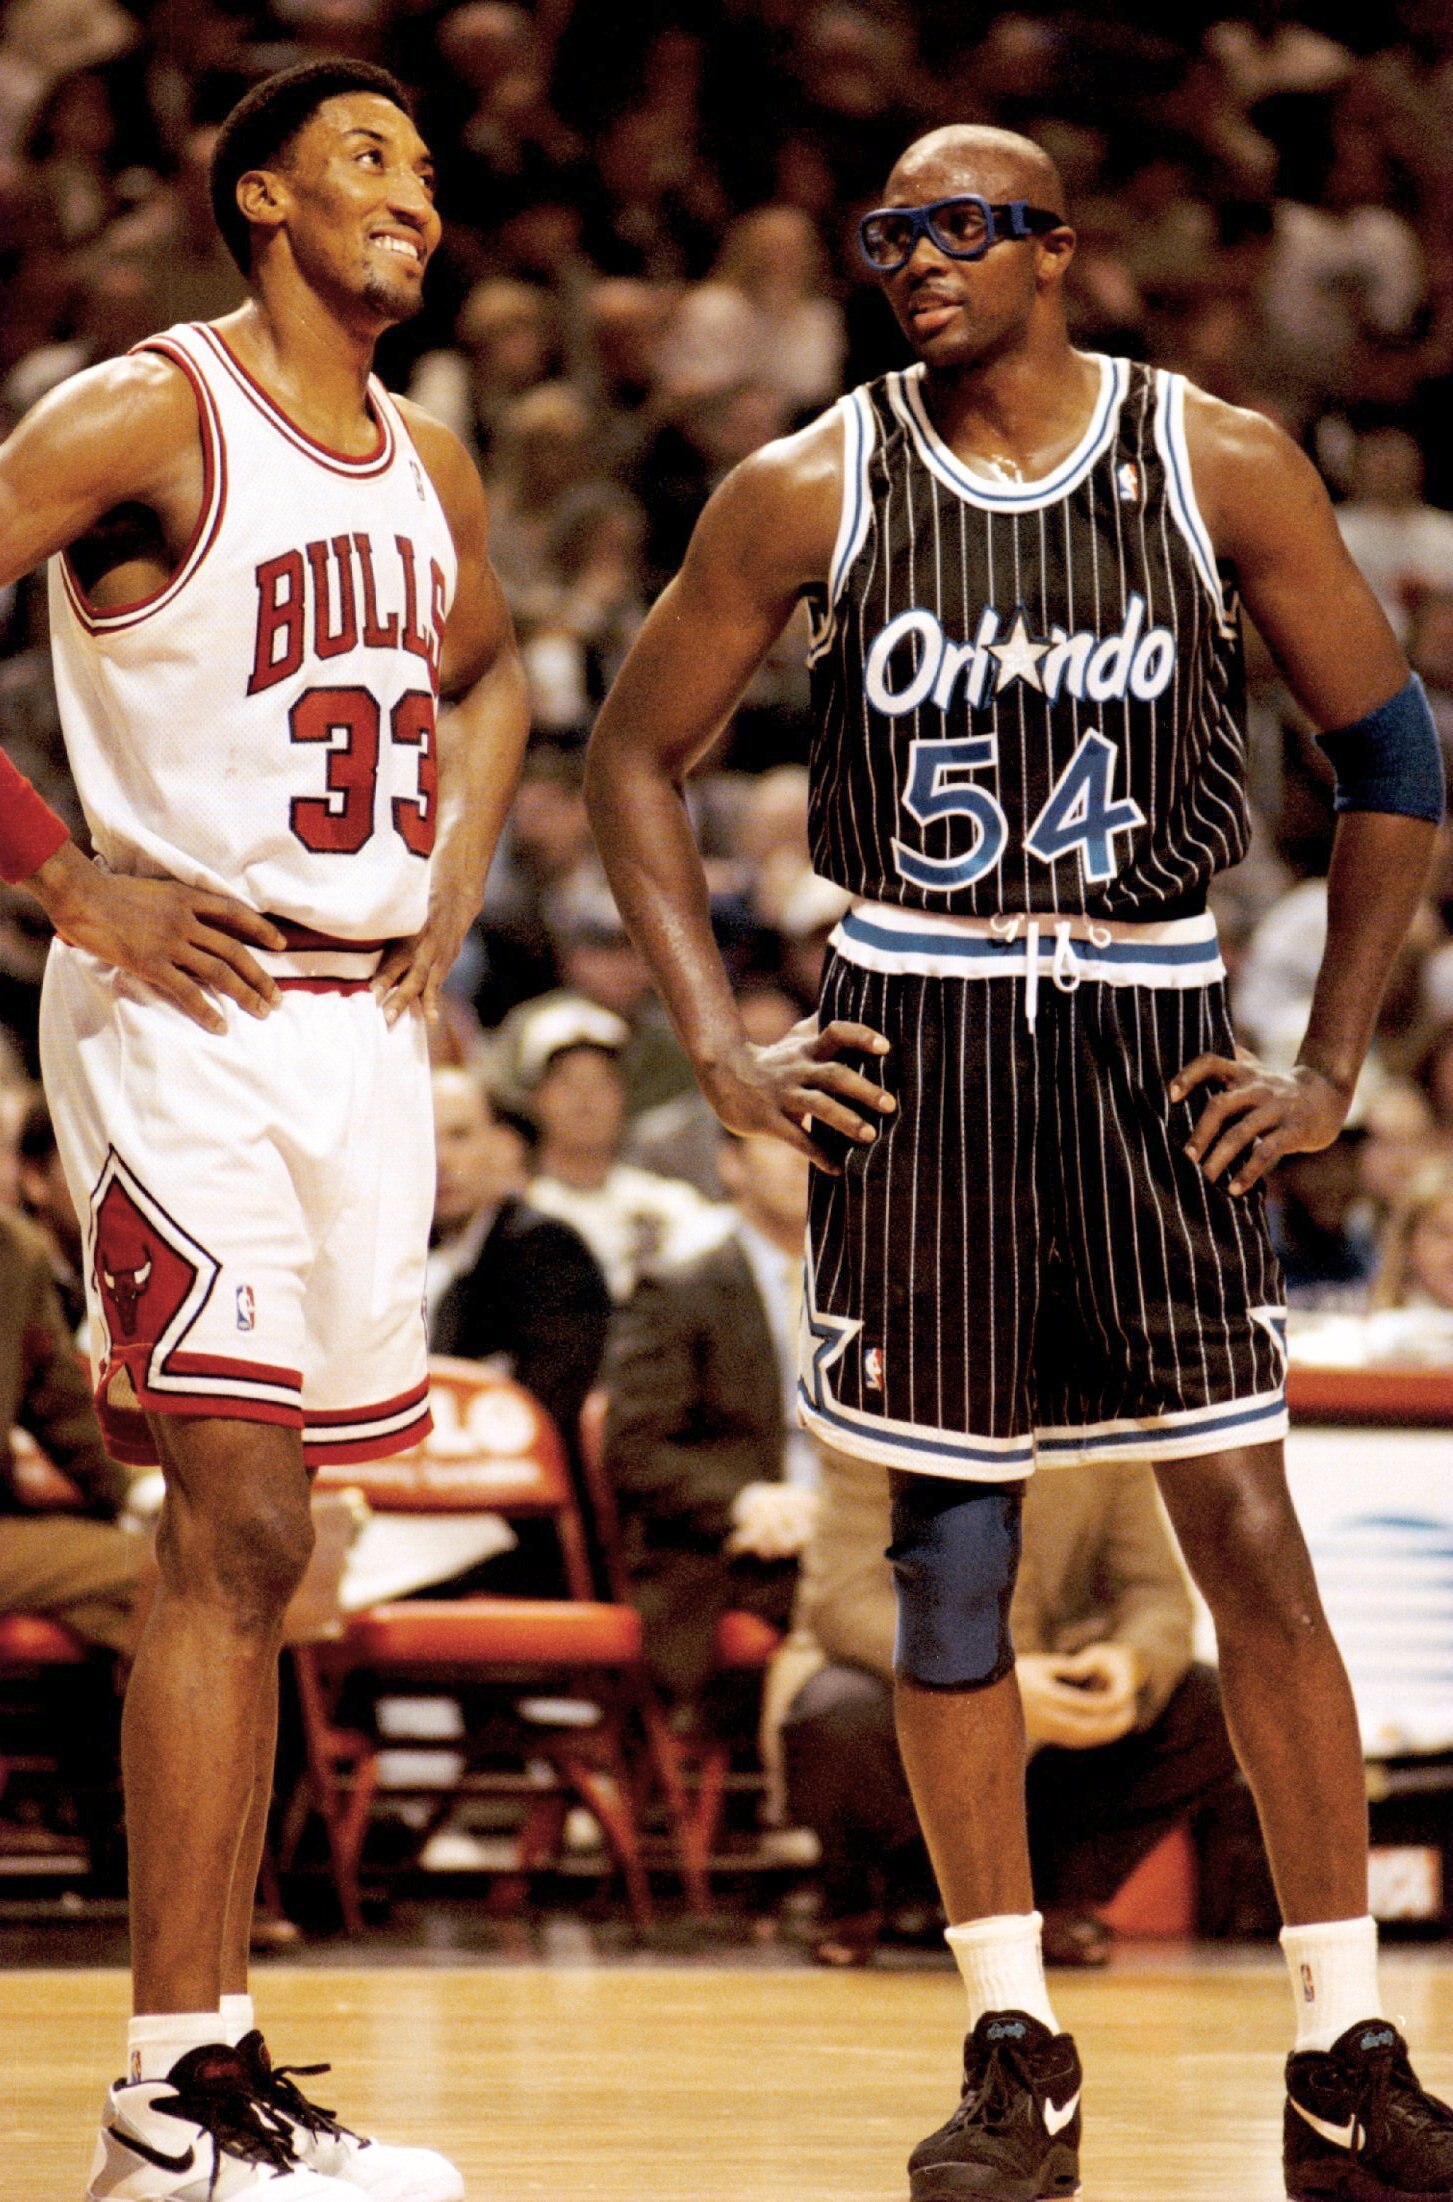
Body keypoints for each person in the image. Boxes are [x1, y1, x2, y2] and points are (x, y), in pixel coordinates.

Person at [585, 121, 1451, 2202]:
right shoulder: (809, 481)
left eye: (961, 227)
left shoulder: (1213, 458)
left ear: (1057, 249)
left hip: (1152, 1023)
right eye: (890, 232)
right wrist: (721, 1046)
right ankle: (1011, 2043)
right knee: (946, 1557)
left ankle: (1343, 2049)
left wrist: (1331, 1062)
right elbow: (629, 754)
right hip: (922, 1026)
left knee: (1245, 1533)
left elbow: (1393, 754)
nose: (917, 259)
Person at [0, 57, 529, 2202]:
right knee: (224, 1523)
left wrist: (459, 867)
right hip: (184, 1013)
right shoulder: (148, 412)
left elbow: (492, 677)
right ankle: (168, 2090)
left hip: (360, 1032)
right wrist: (62, 878)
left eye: (426, 165)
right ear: (260, 200)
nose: (415, 193)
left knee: (272, 1548)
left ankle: (206, 2074)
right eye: (366, 157)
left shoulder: (430, 456)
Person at [769, 1447, 1249, 1969]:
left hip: (1052, 1699)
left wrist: (1130, 1661)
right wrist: (987, 1677)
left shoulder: (1105, 1440)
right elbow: (844, 1604)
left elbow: (1155, 1594)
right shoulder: (882, 1430)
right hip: (903, 1673)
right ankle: (863, 1898)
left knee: (1214, 1701)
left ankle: (1051, 1899)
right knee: (839, 1712)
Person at [602, 1129, 816, 1709]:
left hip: (861, 1533)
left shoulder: (883, 1285)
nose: (804, 1157)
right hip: (732, 1551)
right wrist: (747, 1501)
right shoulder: (677, 1291)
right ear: (731, 1165)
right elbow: (634, 1451)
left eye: (820, 1141)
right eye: (782, 1140)